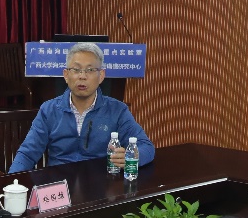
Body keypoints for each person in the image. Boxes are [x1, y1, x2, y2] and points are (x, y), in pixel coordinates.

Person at [8, 42, 155, 173]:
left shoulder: (117, 110)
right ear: (66, 75)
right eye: (76, 69)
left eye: (90, 70)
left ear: (101, 75)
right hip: (60, 186)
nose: (82, 76)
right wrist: (11, 184)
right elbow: (27, 153)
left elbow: (146, 147)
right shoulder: (49, 110)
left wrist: (132, 156)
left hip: (101, 185)